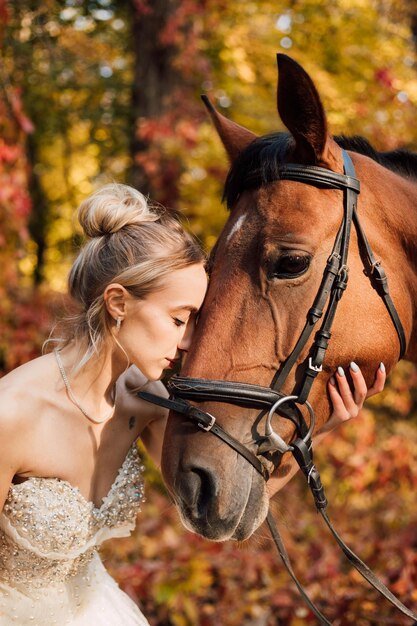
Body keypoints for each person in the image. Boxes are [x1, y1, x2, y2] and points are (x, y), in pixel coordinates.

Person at [0, 184, 385, 625]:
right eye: (179, 319)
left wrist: (318, 427)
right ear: (119, 302)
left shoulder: (144, 401)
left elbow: (225, 507)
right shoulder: (11, 415)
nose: (187, 342)